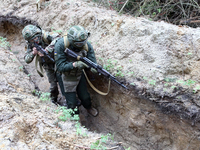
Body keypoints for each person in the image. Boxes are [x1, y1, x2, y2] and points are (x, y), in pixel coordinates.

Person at [54, 25, 98, 117]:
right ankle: (75, 120)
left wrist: (94, 68)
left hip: (78, 74)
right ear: (71, 40)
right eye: (78, 43)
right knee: (71, 103)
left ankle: (88, 107)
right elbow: (60, 67)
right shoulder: (60, 45)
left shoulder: (86, 45)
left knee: (85, 97)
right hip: (64, 76)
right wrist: (75, 64)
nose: (81, 45)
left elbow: (92, 60)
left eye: (83, 42)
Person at [22, 24, 65, 105]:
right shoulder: (30, 44)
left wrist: (48, 49)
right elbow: (27, 60)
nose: (35, 40)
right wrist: (33, 53)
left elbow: (59, 38)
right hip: (47, 65)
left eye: (36, 37)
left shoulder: (45, 36)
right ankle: (54, 100)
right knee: (53, 86)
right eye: (32, 40)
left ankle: (67, 99)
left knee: (63, 81)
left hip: (57, 60)